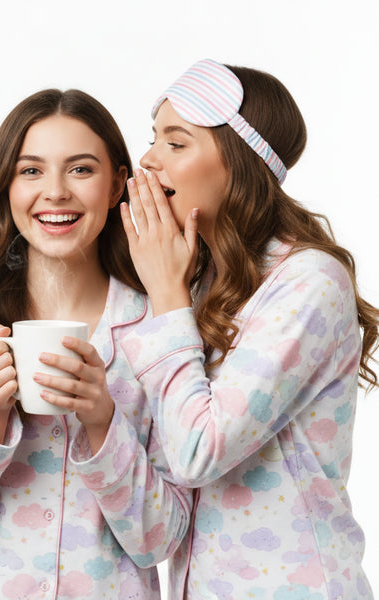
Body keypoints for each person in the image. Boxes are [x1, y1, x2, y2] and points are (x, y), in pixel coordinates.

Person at [0, 88, 192, 599]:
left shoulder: (160, 327)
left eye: (81, 169)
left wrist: (103, 422)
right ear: (6, 187)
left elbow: (160, 539)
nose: (55, 192)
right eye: (31, 171)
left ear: (116, 185)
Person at [120, 59, 378, 598]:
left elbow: (198, 450)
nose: (148, 159)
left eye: (176, 142)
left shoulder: (308, 282)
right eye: (154, 140)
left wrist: (166, 295)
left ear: (238, 160)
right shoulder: (200, 279)